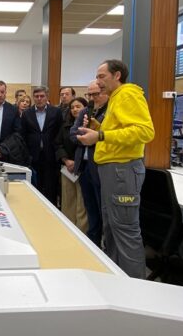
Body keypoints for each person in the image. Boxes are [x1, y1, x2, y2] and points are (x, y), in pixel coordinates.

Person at [77, 59, 154, 278]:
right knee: (111, 228)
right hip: (112, 170)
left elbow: (144, 132)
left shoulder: (128, 95)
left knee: (124, 231)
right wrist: (98, 128)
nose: (98, 82)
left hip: (122, 170)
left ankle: (135, 288)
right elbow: (120, 131)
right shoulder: (116, 99)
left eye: (102, 76)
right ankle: (116, 279)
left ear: (117, 75)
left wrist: (100, 135)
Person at [71, 80, 109, 247]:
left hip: (101, 169)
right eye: (89, 95)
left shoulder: (110, 112)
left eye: (96, 94)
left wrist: (92, 137)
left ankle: (107, 247)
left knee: (104, 212)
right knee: (91, 210)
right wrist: (87, 137)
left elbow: (109, 137)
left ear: (106, 92)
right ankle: (93, 245)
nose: (93, 98)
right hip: (84, 167)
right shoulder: (86, 111)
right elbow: (72, 134)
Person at [20, 86, 63, 206]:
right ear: (33, 97)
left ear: (47, 97)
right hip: (33, 158)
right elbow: (22, 135)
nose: (39, 99)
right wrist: (27, 155)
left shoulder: (56, 112)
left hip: (51, 157)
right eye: (36, 96)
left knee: (51, 190)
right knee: (34, 188)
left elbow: (60, 134)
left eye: (42, 96)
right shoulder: (26, 114)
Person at [55, 97, 88, 229]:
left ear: (85, 108)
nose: (75, 109)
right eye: (72, 107)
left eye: (78, 106)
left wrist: (77, 162)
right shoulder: (65, 125)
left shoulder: (90, 125)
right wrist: (66, 160)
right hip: (67, 169)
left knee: (82, 205)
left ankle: (82, 233)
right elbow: (58, 144)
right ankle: (68, 230)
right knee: (68, 202)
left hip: (83, 169)